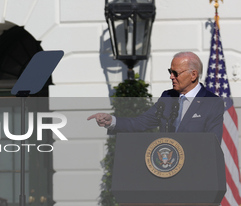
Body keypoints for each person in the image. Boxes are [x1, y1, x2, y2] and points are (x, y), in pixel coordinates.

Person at [88, 52, 223, 141]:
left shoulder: (212, 103)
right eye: (170, 72)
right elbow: (140, 123)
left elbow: (213, 142)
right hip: (166, 171)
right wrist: (111, 121)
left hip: (195, 174)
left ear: (193, 75)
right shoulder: (167, 97)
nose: (171, 77)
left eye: (176, 73)